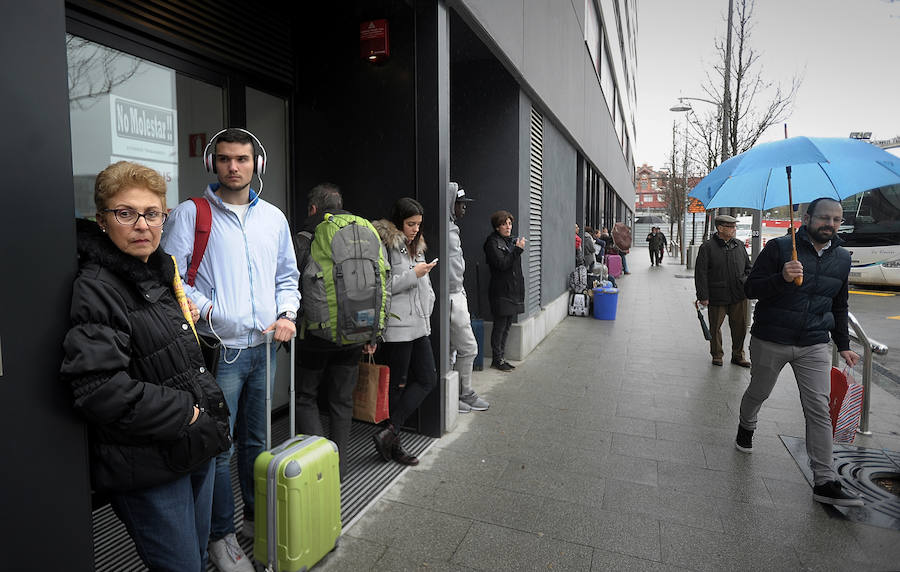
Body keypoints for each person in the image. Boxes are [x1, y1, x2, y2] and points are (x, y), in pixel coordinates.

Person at [61, 161, 232, 572]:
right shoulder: (98, 286)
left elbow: (172, 360)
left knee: (195, 558)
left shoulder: (157, 272)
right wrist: (188, 414)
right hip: (150, 465)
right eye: (126, 213)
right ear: (102, 221)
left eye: (152, 213)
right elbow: (98, 389)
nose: (142, 225)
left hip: (193, 446)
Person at [161, 128, 300, 572]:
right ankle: (221, 535)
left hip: (266, 349)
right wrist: (209, 309)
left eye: (242, 159)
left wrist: (288, 314)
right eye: (224, 159)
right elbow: (172, 275)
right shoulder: (191, 214)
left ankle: (257, 521)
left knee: (258, 442)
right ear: (211, 163)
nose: (233, 167)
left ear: (256, 164)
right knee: (219, 446)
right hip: (221, 353)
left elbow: (287, 276)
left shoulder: (273, 219)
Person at [736, 197, 862, 507]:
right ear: (807, 218)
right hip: (772, 338)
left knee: (818, 407)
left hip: (815, 343)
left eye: (836, 219)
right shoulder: (780, 248)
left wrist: (843, 344)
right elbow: (750, 289)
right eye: (824, 218)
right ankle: (746, 425)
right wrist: (782, 277)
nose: (830, 224)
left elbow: (839, 304)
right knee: (759, 391)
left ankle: (825, 479)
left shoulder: (843, 257)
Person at [293, 183, 377, 480]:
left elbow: (293, 287)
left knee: (305, 397)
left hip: (314, 337)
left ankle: (321, 468)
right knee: (341, 401)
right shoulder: (362, 234)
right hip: (355, 332)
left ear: (313, 209)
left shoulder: (305, 239)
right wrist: (370, 334)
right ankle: (338, 470)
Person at [370, 197, 438, 466]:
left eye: (419, 225)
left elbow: (425, 284)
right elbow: (382, 285)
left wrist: (428, 301)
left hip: (419, 324)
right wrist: (414, 274)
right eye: (410, 224)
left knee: (427, 379)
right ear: (398, 222)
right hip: (397, 327)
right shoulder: (384, 244)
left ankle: (391, 431)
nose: (415, 229)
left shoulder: (417, 246)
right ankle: (393, 444)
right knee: (396, 386)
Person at [447, 182, 491, 414]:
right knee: (469, 347)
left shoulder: (452, 227)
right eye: (460, 203)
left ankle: (458, 394)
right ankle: (463, 393)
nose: (464, 208)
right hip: (451, 296)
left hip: (457, 293)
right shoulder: (445, 229)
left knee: (453, 349)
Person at [694, 214, 752, 367]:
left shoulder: (739, 245)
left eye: (734, 226)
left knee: (740, 327)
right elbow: (701, 274)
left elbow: (748, 268)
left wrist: (745, 283)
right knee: (715, 328)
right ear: (720, 228)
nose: (734, 229)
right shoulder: (707, 247)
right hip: (717, 295)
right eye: (731, 227)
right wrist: (703, 296)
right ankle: (717, 355)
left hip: (739, 295)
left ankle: (738, 355)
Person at [484, 210, 525, 372]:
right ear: (496, 227)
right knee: (500, 325)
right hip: (500, 291)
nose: (508, 227)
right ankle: (497, 359)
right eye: (504, 224)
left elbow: (515, 268)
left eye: (509, 223)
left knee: (507, 324)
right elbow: (502, 264)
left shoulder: (510, 241)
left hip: (512, 290)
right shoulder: (492, 243)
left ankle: (502, 357)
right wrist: (517, 250)